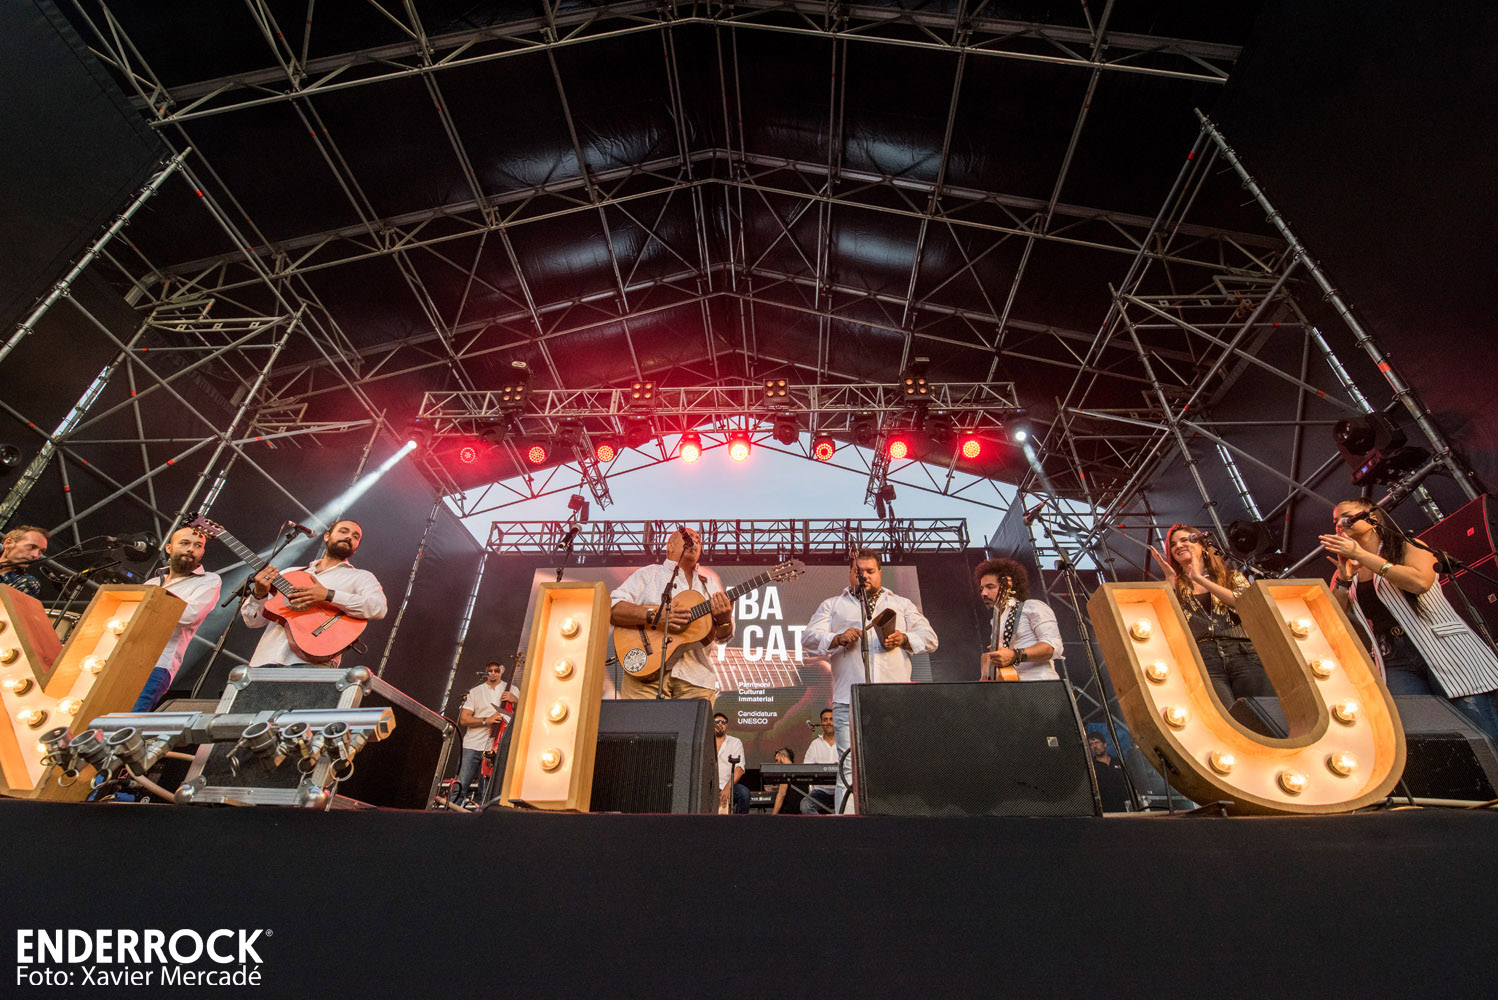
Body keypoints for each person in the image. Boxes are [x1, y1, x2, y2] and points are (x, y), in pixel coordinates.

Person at [1321, 499, 1498, 743]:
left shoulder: (1407, 546)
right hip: (1393, 657)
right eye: (1335, 522)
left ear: (1372, 518)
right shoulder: (1347, 567)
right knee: (1426, 734)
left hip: (1440, 645)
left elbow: (1419, 582)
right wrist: (1343, 578)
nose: (1340, 525)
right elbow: (1333, 617)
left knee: (1481, 729)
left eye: (1347, 517)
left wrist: (1362, 555)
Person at [804, 549, 938, 813]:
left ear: (880, 573)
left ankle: (895, 820)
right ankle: (849, 825)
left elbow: (931, 638)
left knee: (896, 761)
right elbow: (808, 638)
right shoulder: (833, 605)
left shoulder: (900, 603)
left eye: (870, 571)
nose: (863, 576)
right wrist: (837, 638)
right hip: (848, 699)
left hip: (894, 697)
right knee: (849, 766)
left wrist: (905, 638)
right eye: (858, 571)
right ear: (850, 573)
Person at [1150, 524, 1272, 707]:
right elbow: (1169, 623)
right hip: (1204, 658)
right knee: (1222, 716)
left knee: (1260, 712)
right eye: (1173, 544)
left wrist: (1200, 579)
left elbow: (1245, 604)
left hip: (1244, 652)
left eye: (1184, 540)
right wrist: (1170, 582)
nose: (1179, 546)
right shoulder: (1172, 587)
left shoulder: (1231, 577)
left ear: (1201, 545)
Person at [609, 526, 733, 701]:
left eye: (698, 540)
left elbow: (723, 637)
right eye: (689, 537)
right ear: (670, 546)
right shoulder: (649, 574)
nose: (695, 541)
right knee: (640, 720)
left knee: (695, 721)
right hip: (645, 676)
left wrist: (724, 620)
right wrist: (655, 615)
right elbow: (613, 609)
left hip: (696, 680)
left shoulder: (710, 584)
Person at [242, 519, 387, 667]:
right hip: (265, 660)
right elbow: (253, 622)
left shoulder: (361, 577)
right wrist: (259, 594)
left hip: (313, 666)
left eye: (355, 537)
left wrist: (328, 595)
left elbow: (378, 608)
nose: (349, 537)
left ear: (356, 547)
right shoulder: (289, 573)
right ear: (327, 536)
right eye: (343, 531)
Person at [131, 526, 223, 711]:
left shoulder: (209, 580)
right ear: (169, 548)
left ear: (202, 552)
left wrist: (152, 601)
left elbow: (190, 615)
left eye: (198, 545)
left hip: (158, 664)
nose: (191, 549)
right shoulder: (152, 582)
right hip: (127, 658)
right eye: (184, 543)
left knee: (128, 720)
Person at [974, 557, 1062, 681]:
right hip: (1011, 689)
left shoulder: (1032, 607)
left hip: (1038, 684)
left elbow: (1053, 647)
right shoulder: (996, 620)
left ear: (1007, 588)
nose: (983, 593)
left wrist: (1015, 655)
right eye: (981, 589)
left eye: (990, 587)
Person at [451, 660, 519, 807]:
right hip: (472, 745)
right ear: (485, 672)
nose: (493, 673)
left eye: (496, 670)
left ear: (502, 670)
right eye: (490, 671)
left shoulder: (513, 690)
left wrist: (516, 701)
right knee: (460, 787)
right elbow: (464, 719)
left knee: (487, 793)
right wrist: (485, 721)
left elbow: (522, 716)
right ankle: (447, 817)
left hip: (495, 748)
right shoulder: (475, 692)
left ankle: (482, 818)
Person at [800, 708, 838, 814]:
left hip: (842, 790)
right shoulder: (815, 744)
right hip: (821, 792)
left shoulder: (845, 743)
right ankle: (820, 824)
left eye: (831, 719)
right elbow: (806, 768)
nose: (828, 722)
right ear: (821, 723)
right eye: (825, 720)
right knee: (805, 805)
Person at [713, 712, 750, 814]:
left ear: (726, 726)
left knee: (744, 793)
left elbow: (739, 769)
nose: (720, 724)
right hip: (708, 786)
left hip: (727, 784)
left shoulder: (735, 742)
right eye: (717, 721)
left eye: (723, 722)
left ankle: (738, 822)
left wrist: (727, 788)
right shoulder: (705, 741)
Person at [0, 525, 49, 598]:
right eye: (31, 547)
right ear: (8, 543)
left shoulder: (28, 582)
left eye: (41, 551)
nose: (35, 555)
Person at [1088, 733, 1132, 812]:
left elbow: (1130, 780)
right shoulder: (1092, 767)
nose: (1094, 746)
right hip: (1107, 810)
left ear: (1105, 744)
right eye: (1091, 744)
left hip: (1126, 806)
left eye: (1097, 742)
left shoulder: (1118, 761)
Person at [769, 746, 797, 815]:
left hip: (788, 814)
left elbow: (782, 794)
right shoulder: (800, 770)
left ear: (783, 757)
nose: (776, 764)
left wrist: (772, 816)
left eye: (777, 760)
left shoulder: (785, 772)